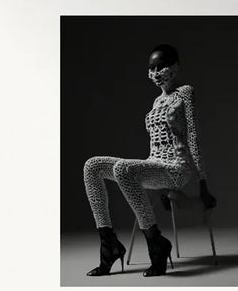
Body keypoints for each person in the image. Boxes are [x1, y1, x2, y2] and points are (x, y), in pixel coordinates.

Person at [82, 44, 218, 277]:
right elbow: (156, 145)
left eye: (161, 66)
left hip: (177, 168)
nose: (156, 72)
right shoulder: (156, 102)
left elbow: (193, 137)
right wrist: (150, 173)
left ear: (175, 66)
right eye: (151, 68)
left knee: (124, 168)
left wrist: (203, 183)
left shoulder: (185, 92)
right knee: (92, 165)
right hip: (155, 165)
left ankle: (155, 242)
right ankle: (109, 244)